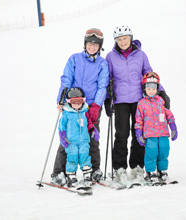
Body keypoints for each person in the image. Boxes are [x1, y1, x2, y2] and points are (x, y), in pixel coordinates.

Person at [104, 25, 171, 185]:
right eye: (119, 40)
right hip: (120, 101)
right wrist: (108, 99)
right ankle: (119, 168)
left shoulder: (141, 55)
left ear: (131, 38)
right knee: (121, 134)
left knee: (139, 134)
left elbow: (149, 74)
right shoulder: (110, 57)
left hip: (140, 102)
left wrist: (161, 92)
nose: (122, 42)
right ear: (115, 41)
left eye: (125, 38)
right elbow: (107, 79)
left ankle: (137, 167)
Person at [51, 28, 109, 185]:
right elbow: (66, 79)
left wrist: (96, 105)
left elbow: (102, 85)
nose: (92, 47)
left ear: (100, 46)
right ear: (85, 44)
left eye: (96, 45)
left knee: (92, 137)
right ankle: (59, 172)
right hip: (73, 105)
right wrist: (62, 99)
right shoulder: (74, 59)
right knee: (68, 137)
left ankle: (95, 170)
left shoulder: (103, 64)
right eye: (90, 44)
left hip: (91, 106)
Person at [134, 72, 178, 184]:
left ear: (157, 88)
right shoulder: (141, 103)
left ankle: (162, 171)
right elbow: (139, 120)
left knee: (164, 151)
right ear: (144, 88)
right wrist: (139, 133)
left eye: (154, 88)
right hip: (150, 135)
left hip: (163, 133)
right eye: (148, 88)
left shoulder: (161, 101)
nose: (151, 90)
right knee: (151, 153)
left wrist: (173, 127)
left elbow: (169, 114)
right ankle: (150, 172)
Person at [58, 87, 100, 187]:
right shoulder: (66, 113)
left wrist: (93, 130)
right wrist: (62, 136)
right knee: (72, 158)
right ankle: (71, 175)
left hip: (84, 140)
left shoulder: (85, 111)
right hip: (71, 141)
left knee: (85, 157)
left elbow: (89, 122)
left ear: (83, 100)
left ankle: (87, 174)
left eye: (79, 101)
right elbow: (61, 126)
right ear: (69, 102)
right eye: (74, 101)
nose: (77, 104)